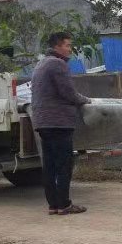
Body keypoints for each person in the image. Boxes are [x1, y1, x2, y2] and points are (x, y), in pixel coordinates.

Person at [31, 32, 91, 215]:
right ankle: (64, 204)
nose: (70, 49)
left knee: (49, 165)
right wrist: (87, 100)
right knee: (64, 165)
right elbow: (68, 93)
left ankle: (53, 205)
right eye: (67, 45)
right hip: (58, 122)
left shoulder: (41, 64)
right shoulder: (58, 64)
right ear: (57, 46)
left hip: (43, 122)